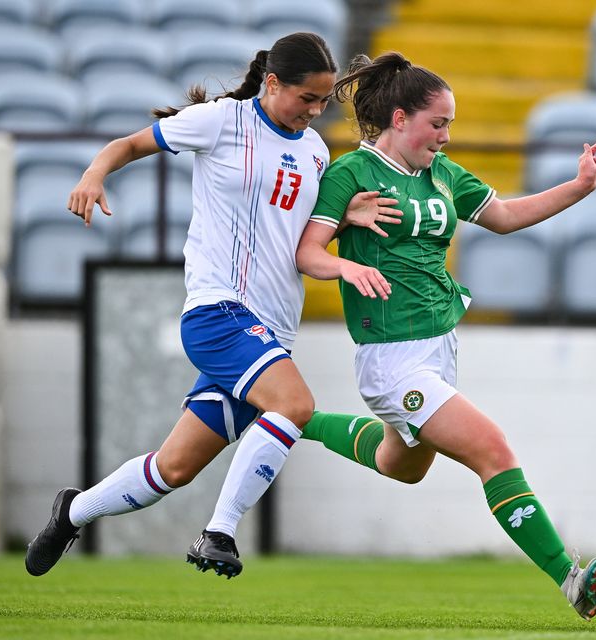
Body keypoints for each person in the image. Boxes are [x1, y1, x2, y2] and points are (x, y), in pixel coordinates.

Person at [24, 33, 400, 580]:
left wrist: (345, 219)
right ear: (272, 83)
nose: (316, 112)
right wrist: (92, 174)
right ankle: (219, 531)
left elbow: (294, 243)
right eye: (307, 99)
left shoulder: (315, 151)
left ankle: (72, 511)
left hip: (272, 330)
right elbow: (129, 145)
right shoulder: (222, 121)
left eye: (324, 102)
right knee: (293, 406)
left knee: (172, 469)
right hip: (217, 312)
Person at [293, 52, 596, 620]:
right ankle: (569, 577)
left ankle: (295, 420)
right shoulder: (351, 174)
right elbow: (307, 253)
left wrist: (579, 187)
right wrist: (345, 263)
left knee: (405, 465)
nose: (445, 136)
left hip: (439, 348)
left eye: (449, 125)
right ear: (399, 118)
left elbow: (506, 216)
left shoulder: (442, 174)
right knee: (492, 452)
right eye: (437, 123)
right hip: (391, 357)